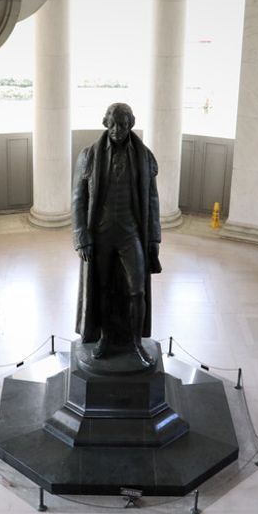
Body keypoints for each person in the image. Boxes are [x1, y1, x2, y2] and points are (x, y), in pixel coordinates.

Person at [71, 103, 162, 366]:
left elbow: (152, 200)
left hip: (131, 232)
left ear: (131, 124)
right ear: (105, 123)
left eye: (123, 124)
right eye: (112, 124)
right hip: (100, 233)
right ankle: (106, 338)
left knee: (137, 291)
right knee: (103, 289)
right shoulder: (89, 155)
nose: (117, 129)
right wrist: (81, 237)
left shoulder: (144, 157)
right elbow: (78, 199)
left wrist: (154, 238)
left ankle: (135, 343)